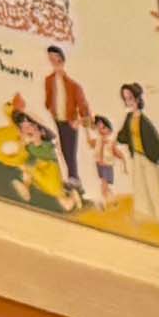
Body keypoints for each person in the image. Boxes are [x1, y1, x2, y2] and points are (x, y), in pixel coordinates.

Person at [115, 81, 159, 215]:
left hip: (148, 158)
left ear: (137, 99)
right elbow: (122, 137)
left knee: (155, 189)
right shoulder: (129, 118)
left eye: (130, 98)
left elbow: (154, 143)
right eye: (125, 99)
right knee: (139, 187)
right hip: (136, 156)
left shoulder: (145, 122)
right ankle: (144, 215)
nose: (128, 102)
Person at [42, 45, 89, 201]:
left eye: (56, 59)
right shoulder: (49, 80)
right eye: (51, 59)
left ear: (62, 60)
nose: (53, 62)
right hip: (58, 119)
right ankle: (71, 179)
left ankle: (74, 179)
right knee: (62, 149)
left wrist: (80, 120)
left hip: (70, 121)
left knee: (70, 151)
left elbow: (83, 106)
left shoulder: (73, 85)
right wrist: (51, 110)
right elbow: (48, 99)